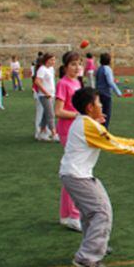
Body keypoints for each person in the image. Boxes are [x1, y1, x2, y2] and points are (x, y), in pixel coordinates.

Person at [60, 87, 134, 267]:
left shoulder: (86, 123)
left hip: (75, 175)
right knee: (102, 212)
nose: (102, 105)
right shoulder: (89, 125)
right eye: (99, 102)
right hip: (77, 176)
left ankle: (95, 245)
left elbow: (112, 139)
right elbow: (114, 146)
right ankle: (88, 256)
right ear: (90, 107)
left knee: (91, 213)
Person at [55, 52, 84, 232]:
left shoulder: (77, 82)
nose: (76, 67)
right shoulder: (63, 83)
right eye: (73, 64)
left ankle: (66, 215)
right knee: (75, 173)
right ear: (65, 66)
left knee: (71, 172)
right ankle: (74, 215)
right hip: (68, 131)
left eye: (78, 64)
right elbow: (58, 111)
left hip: (77, 130)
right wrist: (79, 115)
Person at [34, 53, 58, 142]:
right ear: (47, 60)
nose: (53, 62)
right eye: (52, 60)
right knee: (51, 114)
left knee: (45, 115)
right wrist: (45, 92)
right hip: (44, 96)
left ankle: (41, 133)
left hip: (51, 95)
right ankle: (54, 134)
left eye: (54, 60)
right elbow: (37, 81)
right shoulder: (42, 69)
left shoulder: (50, 69)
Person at [95, 53, 122, 129]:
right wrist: (118, 92)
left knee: (100, 113)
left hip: (98, 93)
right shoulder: (107, 69)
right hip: (106, 94)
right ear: (109, 61)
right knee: (107, 114)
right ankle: (104, 131)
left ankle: (98, 129)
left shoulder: (99, 69)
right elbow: (110, 82)